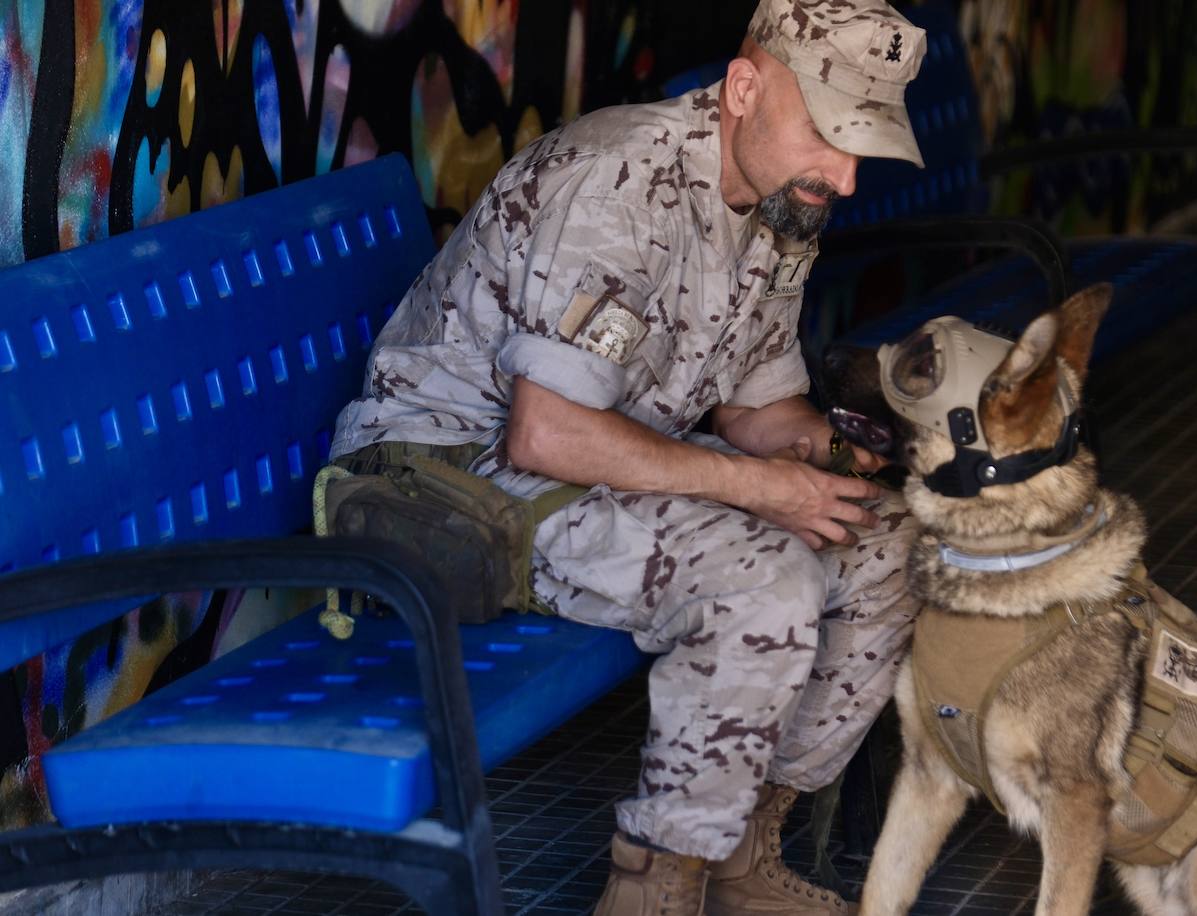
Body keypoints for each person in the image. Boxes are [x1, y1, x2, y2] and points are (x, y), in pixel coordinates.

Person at [329, 1, 929, 912]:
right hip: (445, 474)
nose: (844, 176)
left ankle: (740, 847)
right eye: (829, 135)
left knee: (883, 542)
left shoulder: (779, 200)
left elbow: (758, 410)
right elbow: (546, 432)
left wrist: (834, 454)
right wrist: (761, 490)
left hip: (585, 461)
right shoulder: (619, 178)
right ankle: (656, 885)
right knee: (763, 579)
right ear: (743, 89)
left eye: (863, 146)